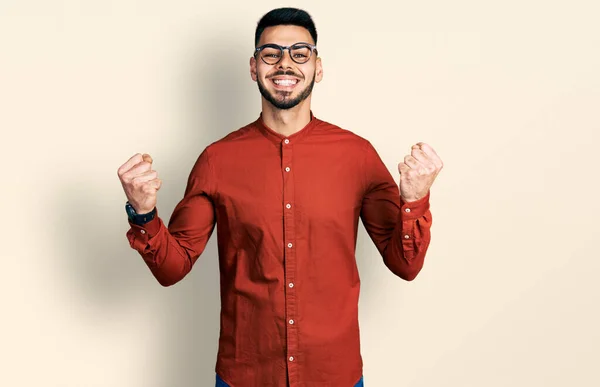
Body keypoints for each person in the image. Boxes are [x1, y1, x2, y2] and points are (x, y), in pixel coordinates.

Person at [117, 7, 443, 387]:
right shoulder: (217, 159)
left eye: (299, 53)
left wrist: (416, 199)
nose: (285, 64)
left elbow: (406, 265)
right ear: (254, 68)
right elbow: (173, 268)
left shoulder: (358, 156)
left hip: (334, 376)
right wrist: (144, 213)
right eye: (271, 53)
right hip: (246, 376)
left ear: (318, 67)